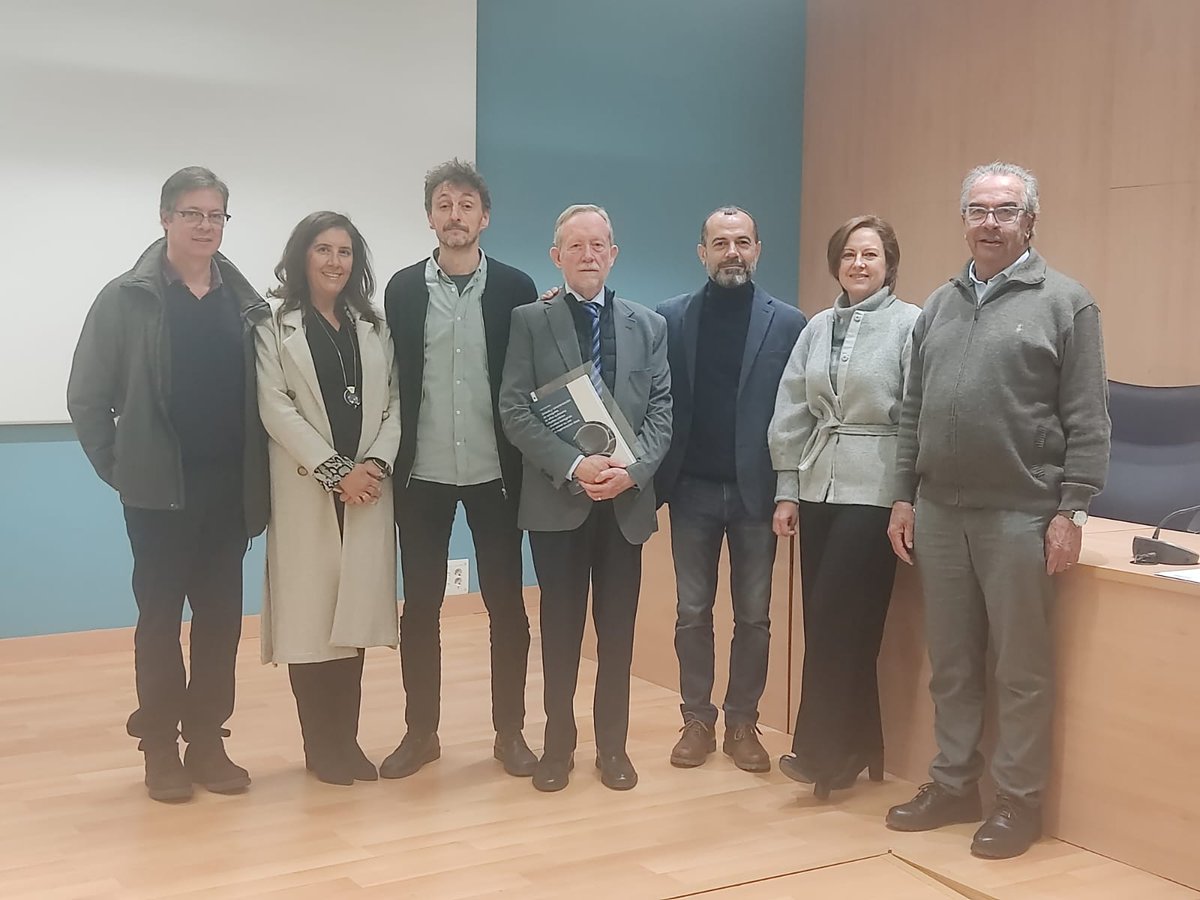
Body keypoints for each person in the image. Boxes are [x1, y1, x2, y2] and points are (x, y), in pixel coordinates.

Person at [883, 162, 1110, 859]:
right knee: (951, 662)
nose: (989, 222)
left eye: (1004, 211)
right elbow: (911, 409)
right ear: (963, 221)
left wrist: (1071, 508)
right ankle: (954, 786)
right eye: (977, 210)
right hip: (939, 513)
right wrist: (901, 494)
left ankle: (1017, 803)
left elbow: (1087, 416)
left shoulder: (1066, 302)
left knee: (1020, 669)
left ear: (1029, 221)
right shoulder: (939, 305)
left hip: (1021, 515)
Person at [67, 166, 268, 802]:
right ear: (165, 219)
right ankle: (160, 748)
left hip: (228, 493)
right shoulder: (126, 297)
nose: (205, 226)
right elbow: (87, 396)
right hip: (158, 494)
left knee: (220, 621)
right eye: (192, 214)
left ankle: (207, 741)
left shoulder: (246, 301)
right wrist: (121, 470)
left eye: (216, 216)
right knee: (159, 620)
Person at [499, 204, 672, 792]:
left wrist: (633, 471)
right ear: (557, 256)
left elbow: (661, 414)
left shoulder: (649, 326)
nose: (589, 255)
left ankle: (614, 749)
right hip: (558, 503)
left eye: (599, 245)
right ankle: (557, 747)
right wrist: (575, 465)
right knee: (561, 633)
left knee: (617, 634)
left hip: (625, 505)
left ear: (613, 253)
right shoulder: (529, 320)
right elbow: (515, 409)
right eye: (576, 246)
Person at [381, 160, 539, 779]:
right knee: (419, 608)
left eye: (466, 204)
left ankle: (510, 735)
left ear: (485, 217)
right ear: (429, 217)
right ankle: (421, 734)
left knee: (506, 605)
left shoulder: (515, 288)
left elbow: (535, 375)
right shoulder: (400, 289)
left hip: (497, 475)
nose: (455, 215)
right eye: (444, 204)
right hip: (421, 475)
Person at [768, 215, 919, 799]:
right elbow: (791, 406)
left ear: (889, 265)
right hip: (816, 484)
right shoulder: (817, 327)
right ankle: (861, 745)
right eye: (850, 254)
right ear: (836, 263)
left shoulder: (912, 325)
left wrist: (906, 494)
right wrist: (786, 486)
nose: (859, 264)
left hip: (876, 491)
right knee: (827, 624)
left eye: (871, 255)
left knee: (838, 624)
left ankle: (818, 753)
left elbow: (916, 415)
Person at [655, 207, 805, 772]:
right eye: (720, 243)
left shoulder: (790, 324)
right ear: (702, 253)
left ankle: (743, 722)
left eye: (742, 242)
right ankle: (697, 719)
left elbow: (799, 413)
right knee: (692, 612)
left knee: (755, 616)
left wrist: (789, 489)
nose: (732, 252)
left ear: (758, 249)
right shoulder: (670, 319)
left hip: (756, 495)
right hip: (691, 490)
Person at [255, 212, 401, 786]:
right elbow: (275, 406)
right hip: (308, 488)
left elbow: (393, 403)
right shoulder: (273, 323)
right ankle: (321, 748)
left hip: (367, 489)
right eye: (323, 250)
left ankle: (349, 743)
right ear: (301, 257)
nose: (334, 261)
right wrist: (335, 470)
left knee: (353, 618)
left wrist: (373, 466)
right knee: (311, 621)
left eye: (344, 251)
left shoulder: (373, 324)